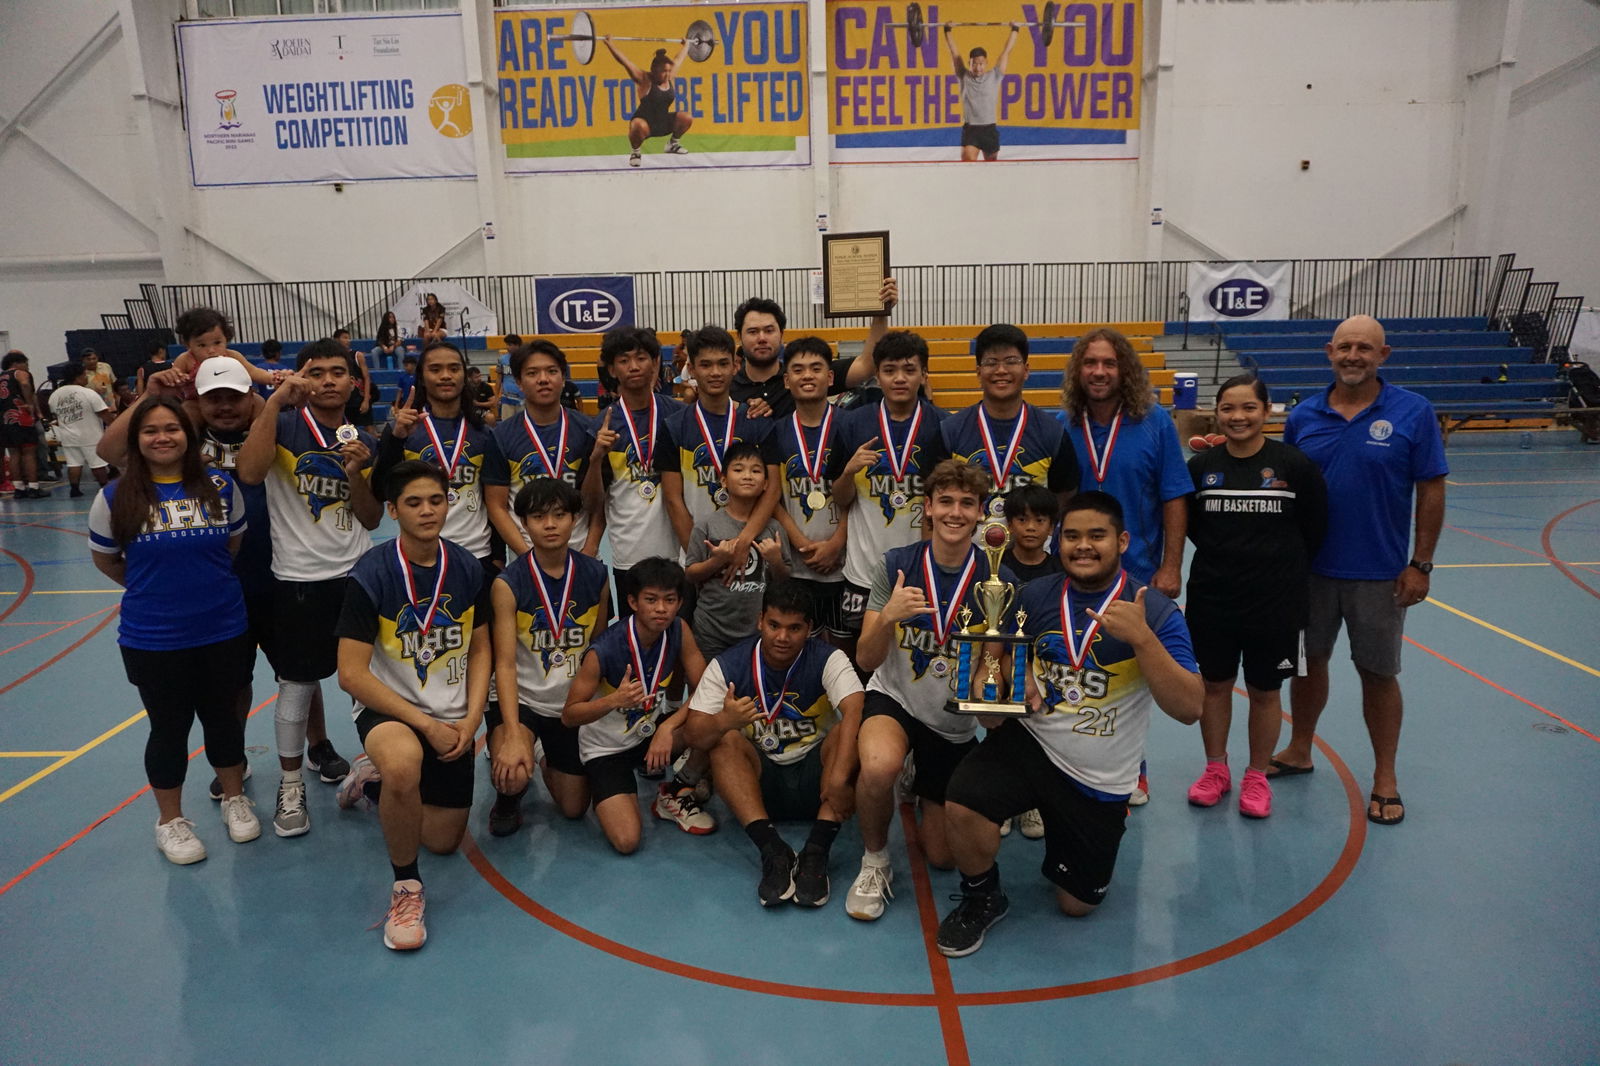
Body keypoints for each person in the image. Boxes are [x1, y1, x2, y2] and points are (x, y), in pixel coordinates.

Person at [936, 492, 1202, 957]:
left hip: (1099, 777)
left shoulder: (1154, 610)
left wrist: (1142, 639)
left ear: (1121, 541)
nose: (1083, 546)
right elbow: (991, 663)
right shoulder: (1034, 596)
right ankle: (983, 894)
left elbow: (1189, 708)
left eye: (1096, 536)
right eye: (1073, 536)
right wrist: (993, 691)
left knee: (1075, 905)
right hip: (1032, 745)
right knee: (963, 802)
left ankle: (1074, 840)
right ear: (1060, 543)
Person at [1268, 316, 1447, 827]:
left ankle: (1385, 776)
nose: (1353, 356)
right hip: (1309, 571)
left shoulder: (1414, 412)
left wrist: (1421, 563)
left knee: (1378, 672)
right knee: (1306, 664)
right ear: (1329, 352)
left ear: (1383, 355)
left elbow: (1431, 488)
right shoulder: (1303, 416)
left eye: (1364, 348)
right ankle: (1300, 747)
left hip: (1380, 574)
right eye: (1345, 347)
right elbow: (1282, 485)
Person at [87, 397, 257, 864]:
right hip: (154, 636)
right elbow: (106, 560)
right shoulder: (114, 497)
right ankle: (171, 821)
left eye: (172, 429)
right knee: (169, 727)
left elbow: (232, 548)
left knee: (224, 718)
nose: (162, 437)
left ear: (188, 434)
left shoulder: (220, 485)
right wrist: (156, 590)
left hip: (223, 627)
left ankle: (234, 797)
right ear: (136, 441)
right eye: (150, 431)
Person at [335, 460, 492, 951]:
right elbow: (351, 674)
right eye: (413, 503)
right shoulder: (371, 573)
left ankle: (373, 781)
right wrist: (425, 724)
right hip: (392, 709)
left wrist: (471, 717)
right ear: (392, 510)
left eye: (436, 500)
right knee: (405, 764)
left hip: (451, 714)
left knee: (443, 839)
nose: (427, 511)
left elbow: (482, 646)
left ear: (450, 503)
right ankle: (407, 888)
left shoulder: (467, 568)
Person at [236, 338, 382, 838]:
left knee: (373, 681)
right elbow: (250, 473)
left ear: (352, 382)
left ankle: (378, 764)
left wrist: (359, 472)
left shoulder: (364, 436)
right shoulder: (283, 423)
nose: (326, 380)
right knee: (296, 684)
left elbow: (371, 515)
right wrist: (275, 400)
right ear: (300, 377)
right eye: (315, 372)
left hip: (358, 574)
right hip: (297, 577)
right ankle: (292, 783)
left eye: (337, 372)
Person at [847, 459, 1000, 921]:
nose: (955, 513)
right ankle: (875, 860)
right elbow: (866, 659)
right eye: (946, 502)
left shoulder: (998, 581)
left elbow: (995, 683)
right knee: (877, 768)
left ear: (980, 513)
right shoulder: (896, 566)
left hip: (952, 720)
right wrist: (890, 615)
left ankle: (920, 775)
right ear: (928, 508)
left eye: (967, 504)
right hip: (895, 697)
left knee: (943, 857)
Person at [1185, 374, 1328, 818]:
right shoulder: (1200, 469)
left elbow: (1315, 529)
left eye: (1248, 408)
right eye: (1228, 408)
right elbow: (1191, 527)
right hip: (1213, 599)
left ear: (1267, 411)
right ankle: (1215, 769)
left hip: (1276, 603)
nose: (1238, 417)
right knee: (1214, 686)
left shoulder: (1293, 465)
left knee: (1266, 691)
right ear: (1217, 413)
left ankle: (1256, 775)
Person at [1060, 326, 1192, 804]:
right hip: (1076, 569)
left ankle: (1134, 767)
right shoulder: (1064, 424)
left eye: (1109, 363)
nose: (1098, 372)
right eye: (1090, 363)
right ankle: (1071, 759)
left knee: (1133, 672)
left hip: (1135, 572)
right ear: (1078, 370)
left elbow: (1174, 496)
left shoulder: (1154, 422)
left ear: (1125, 371)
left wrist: (1172, 566)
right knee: (1080, 668)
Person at [684, 581, 865, 907]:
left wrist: (839, 779)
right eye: (774, 625)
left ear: (809, 628)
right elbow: (694, 734)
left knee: (851, 732)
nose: (782, 637)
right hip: (759, 786)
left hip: (818, 785)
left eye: (794, 628)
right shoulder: (729, 664)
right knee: (723, 739)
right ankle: (773, 851)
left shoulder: (828, 657)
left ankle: (816, 853)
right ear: (760, 621)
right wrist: (726, 720)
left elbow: (855, 708)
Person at [484, 478, 610, 836]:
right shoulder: (508, 583)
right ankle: (511, 786)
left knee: (573, 808)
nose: (550, 525)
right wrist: (510, 732)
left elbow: (597, 646)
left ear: (575, 518)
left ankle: (541, 753)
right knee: (511, 774)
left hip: (568, 703)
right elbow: (504, 664)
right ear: (524, 522)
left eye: (559, 515)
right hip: (522, 699)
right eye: (539, 517)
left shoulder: (596, 575)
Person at [562, 558, 712, 853]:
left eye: (670, 600)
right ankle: (605, 790)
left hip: (649, 734)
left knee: (715, 723)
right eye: (651, 600)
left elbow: (708, 689)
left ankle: (675, 792)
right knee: (627, 841)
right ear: (632, 602)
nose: (661, 609)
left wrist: (667, 727)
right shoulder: (604, 650)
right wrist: (613, 700)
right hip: (607, 749)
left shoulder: (678, 630)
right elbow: (569, 715)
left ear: (680, 602)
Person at [826, 330, 949, 655]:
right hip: (864, 571)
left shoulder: (942, 425)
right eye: (890, 370)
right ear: (877, 375)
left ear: (924, 374)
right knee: (864, 657)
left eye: (909, 370)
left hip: (922, 570)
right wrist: (849, 472)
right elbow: (839, 498)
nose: (899, 378)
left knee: (914, 656)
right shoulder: (853, 424)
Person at [374, 341, 508, 576]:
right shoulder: (403, 430)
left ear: (464, 376)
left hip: (477, 554)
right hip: (422, 557)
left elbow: (493, 501)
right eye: (435, 370)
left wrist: (497, 557)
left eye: (454, 369)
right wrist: (395, 440)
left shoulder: (484, 433)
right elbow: (379, 491)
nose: (446, 376)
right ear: (422, 378)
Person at [657, 324, 778, 570]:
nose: (715, 372)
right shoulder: (674, 427)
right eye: (706, 365)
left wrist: (743, 543)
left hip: (754, 554)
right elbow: (673, 499)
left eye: (723, 364)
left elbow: (772, 489)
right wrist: (702, 557)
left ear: (735, 366)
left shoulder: (756, 422)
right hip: (699, 560)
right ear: (691, 369)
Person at [583, 328, 684, 617]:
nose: (634, 366)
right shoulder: (602, 425)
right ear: (612, 369)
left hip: (679, 551)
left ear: (655, 362)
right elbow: (592, 503)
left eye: (641, 358)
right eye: (624, 360)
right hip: (629, 552)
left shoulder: (678, 416)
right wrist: (595, 459)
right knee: (634, 637)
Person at [935, 322, 1080, 515]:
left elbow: (1064, 498)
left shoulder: (1052, 433)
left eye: (1011, 361)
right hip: (966, 544)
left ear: (1026, 370)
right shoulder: (950, 431)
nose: (1001, 370)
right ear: (978, 372)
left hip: (1032, 545)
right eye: (991, 362)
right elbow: (938, 497)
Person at [762, 337, 849, 641]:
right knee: (800, 646)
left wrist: (838, 541)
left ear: (830, 377)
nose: (807, 375)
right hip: (796, 566)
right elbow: (771, 495)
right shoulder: (776, 431)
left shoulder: (850, 426)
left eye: (816, 368)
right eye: (798, 370)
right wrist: (799, 541)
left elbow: (860, 495)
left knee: (843, 649)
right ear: (787, 381)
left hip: (845, 563)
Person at [488, 341, 598, 557]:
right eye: (532, 373)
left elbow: (598, 501)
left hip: (581, 553)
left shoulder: (588, 430)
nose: (543, 379)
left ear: (563, 378)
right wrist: (525, 554)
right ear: (519, 381)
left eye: (552, 371)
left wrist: (590, 548)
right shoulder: (502, 436)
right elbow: (496, 505)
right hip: (527, 554)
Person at [685, 441, 791, 658]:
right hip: (711, 629)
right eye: (738, 469)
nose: (747, 476)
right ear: (723, 480)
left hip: (756, 630)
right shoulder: (707, 525)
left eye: (756, 470)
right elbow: (690, 574)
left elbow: (785, 578)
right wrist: (717, 560)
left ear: (765, 484)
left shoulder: (773, 528)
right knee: (708, 689)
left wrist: (775, 560)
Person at [729, 292, 889, 420]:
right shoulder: (727, 389)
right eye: (753, 331)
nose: (762, 338)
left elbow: (867, 365)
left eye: (769, 330)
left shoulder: (804, 375)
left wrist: (881, 312)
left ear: (781, 334)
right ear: (739, 337)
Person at [155, 308, 282, 416]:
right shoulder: (186, 360)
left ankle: (258, 434)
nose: (211, 350)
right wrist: (178, 378)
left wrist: (272, 377)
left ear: (226, 338)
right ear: (188, 344)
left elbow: (253, 371)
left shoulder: (232, 356)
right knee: (188, 409)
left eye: (217, 343)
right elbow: (174, 379)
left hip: (231, 399)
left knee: (258, 401)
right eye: (202, 345)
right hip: (198, 402)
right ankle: (194, 441)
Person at [604, 38, 694, 166]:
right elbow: (625, 62)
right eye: (664, 71)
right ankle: (636, 152)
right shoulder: (643, 79)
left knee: (687, 117)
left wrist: (687, 46)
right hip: (645, 125)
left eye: (668, 71)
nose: (667, 74)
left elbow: (678, 59)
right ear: (654, 70)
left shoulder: (669, 77)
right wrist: (610, 44)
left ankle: (672, 144)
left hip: (662, 123)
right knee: (637, 125)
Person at [943, 23, 1021, 161]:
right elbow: (955, 53)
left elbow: (1006, 51)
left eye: (981, 64)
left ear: (986, 63)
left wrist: (1015, 29)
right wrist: (947, 30)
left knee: (990, 171)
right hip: (971, 130)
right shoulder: (963, 76)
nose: (978, 67)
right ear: (969, 63)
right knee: (967, 165)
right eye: (974, 64)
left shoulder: (995, 75)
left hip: (989, 129)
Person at [46, 362, 113, 497]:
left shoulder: (55, 395)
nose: (86, 378)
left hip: (68, 435)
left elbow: (56, 415)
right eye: (84, 375)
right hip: (90, 434)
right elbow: (104, 414)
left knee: (73, 463)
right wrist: (114, 426)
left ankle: (74, 489)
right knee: (97, 464)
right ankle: (104, 487)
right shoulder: (88, 393)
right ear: (77, 377)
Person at [0, 351, 46, 499]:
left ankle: (18, 488)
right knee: (29, 452)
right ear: (17, 363)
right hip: (21, 416)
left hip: (5, 420)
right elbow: (25, 384)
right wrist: (29, 403)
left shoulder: (1, 377)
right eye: (26, 363)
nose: (27, 367)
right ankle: (33, 486)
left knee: (13, 454)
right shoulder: (20, 373)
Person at [491, 333, 524, 423]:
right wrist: (496, 396)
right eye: (507, 345)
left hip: (523, 398)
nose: (507, 347)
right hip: (507, 397)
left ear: (517, 345)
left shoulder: (525, 359)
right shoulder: (502, 359)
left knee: (522, 424)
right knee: (506, 424)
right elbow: (499, 378)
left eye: (510, 345)